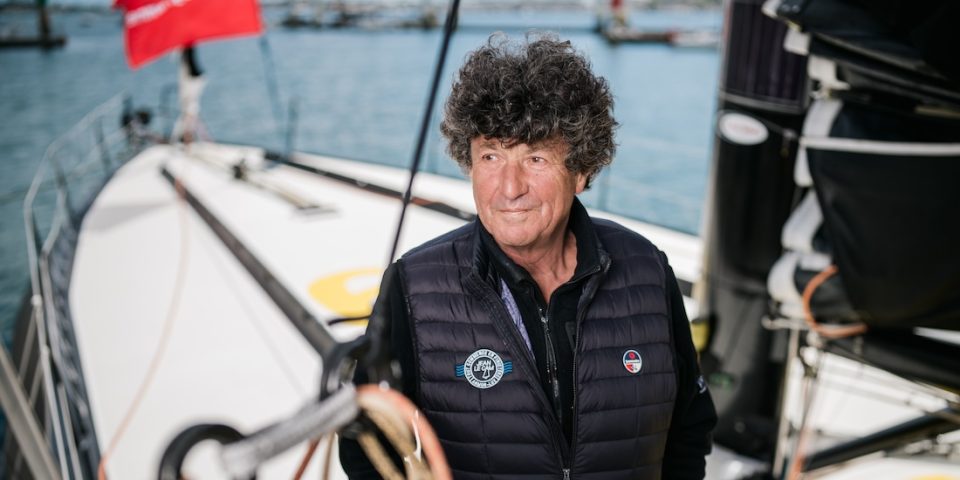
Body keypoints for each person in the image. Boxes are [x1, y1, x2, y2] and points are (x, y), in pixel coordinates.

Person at [340, 33, 716, 480]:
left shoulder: (647, 270)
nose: (509, 187)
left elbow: (689, 428)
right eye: (491, 155)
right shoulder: (413, 286)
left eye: (535, 158)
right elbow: (367, 448)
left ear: (581, 170)